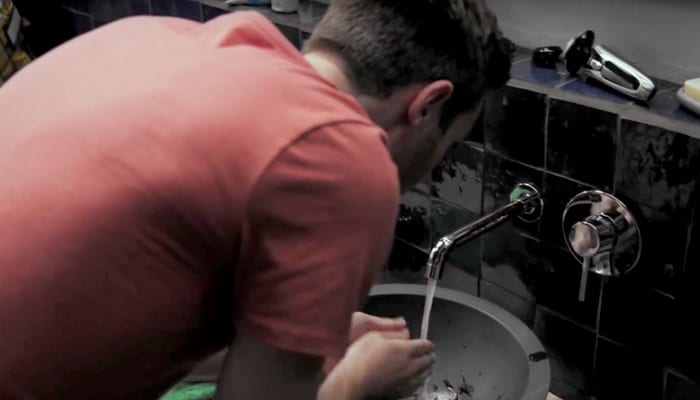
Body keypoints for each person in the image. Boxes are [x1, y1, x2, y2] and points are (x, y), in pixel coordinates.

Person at [0, 0, 513, 399]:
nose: (434, 169)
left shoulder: (156, 39)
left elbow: (107, 327)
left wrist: (307, 345)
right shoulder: (342, 155)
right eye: (446, 149)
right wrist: (357, 383)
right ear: (429, 104)